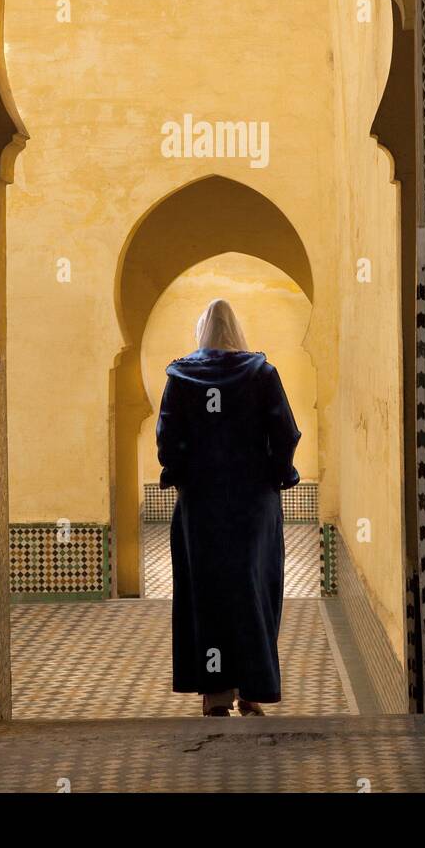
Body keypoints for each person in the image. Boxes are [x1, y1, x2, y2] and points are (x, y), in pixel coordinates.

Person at [156, 298, 301, 717]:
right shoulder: (261, 375)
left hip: (200, 507)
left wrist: (182, 471)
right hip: (253, 505)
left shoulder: (181, 376)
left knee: (206, 594)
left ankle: (214, 693)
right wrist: (276, 474)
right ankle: (250, 691)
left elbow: (168, 440)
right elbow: (285, 433)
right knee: (252, 590)